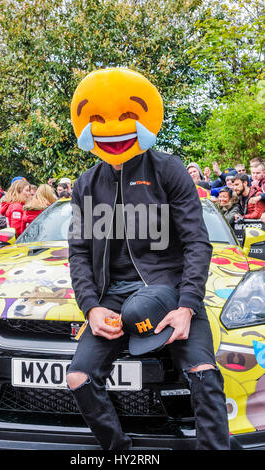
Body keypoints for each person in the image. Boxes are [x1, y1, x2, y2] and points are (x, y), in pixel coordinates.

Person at [66, 68, 230, 451]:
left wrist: (188, 306)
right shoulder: (84, 185)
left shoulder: (168, 169)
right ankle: (121, 451)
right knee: (77, 377)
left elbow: (197, 243)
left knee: (204, 374)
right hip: (112, 299)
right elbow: (77, 254)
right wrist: (90, 308)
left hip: (170, 291)